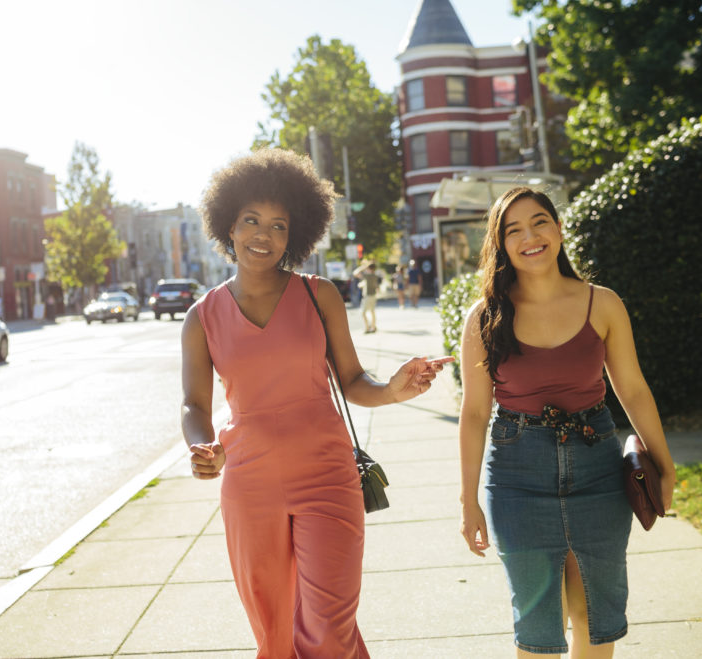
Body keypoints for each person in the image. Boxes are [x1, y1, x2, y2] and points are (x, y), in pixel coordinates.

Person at [181, 148, 452, 658]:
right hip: (250, 485)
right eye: (251, 221)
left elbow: (351, 378)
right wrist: (202, 447)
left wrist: (393, 389)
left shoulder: (318, 295)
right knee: (275, 634)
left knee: (328, 631)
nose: (263, 235)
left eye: (278, 225)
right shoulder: (202, 317)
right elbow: (193, 404)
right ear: (228, 227)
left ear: (295, 234)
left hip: (327, 477)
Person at [457, 187, 676, 658]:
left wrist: (664, 461)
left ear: (557, 229)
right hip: (516, 477)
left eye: (539, 222)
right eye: (513, 229)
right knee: (538, 620)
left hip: (597, 468)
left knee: (594, 615)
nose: (530, 236)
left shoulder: (603, 304)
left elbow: (632, 389)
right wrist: (468, 500)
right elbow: (474, 414)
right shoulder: (485, 318)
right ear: (501, 244)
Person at [352, 260, 380, 333]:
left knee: (363, 313)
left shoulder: (367, 276)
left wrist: (363, 266)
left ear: (368, 268)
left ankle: (367, 328)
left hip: (368, 296)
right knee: (372, 312)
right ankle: (373, 327)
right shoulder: (375, 276)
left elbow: (355, 273)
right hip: (373, 296)